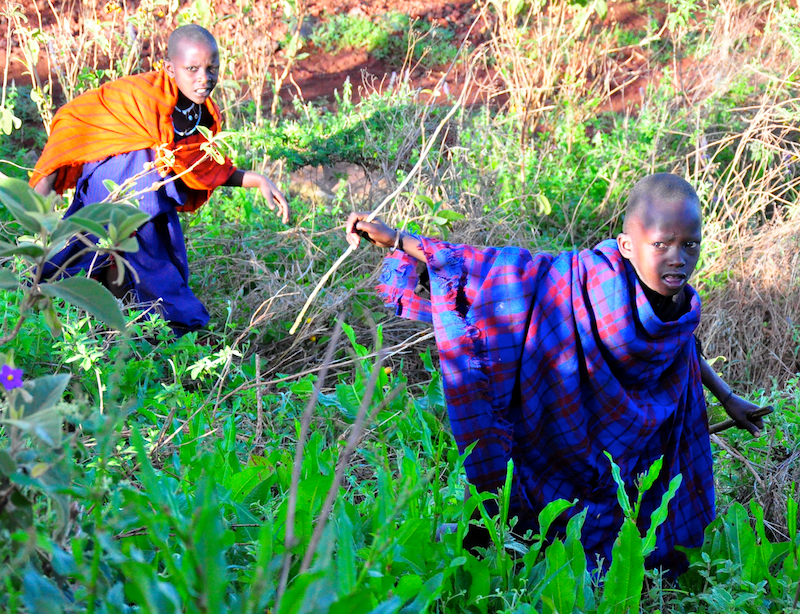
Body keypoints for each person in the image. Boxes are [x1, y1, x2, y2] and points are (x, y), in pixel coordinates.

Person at [345, 173, 765, 572]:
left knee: (644, 511)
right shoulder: (587, 280)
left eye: (691, 245)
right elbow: (493, 269)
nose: (678, 259)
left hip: (635, 437)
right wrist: (398, 239)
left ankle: (634, 557)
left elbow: (682, 348)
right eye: (662, 245)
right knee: (543, 505)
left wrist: (727, 397)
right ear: (626, 244)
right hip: (568, 423)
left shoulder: (679, 303)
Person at [29, 24, 290, 335]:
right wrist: (47, 181)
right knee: (144, 258)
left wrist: (257, 180)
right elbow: (77, 117)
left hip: (146, 193)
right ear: (169, 67)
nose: (203, 78)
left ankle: (112, 321)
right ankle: (181, 331)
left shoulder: (197, 111)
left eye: (211, 68)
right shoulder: (141, 95)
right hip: (117, 187)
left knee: (114, 254)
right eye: (191, 69)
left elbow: (198, 163)